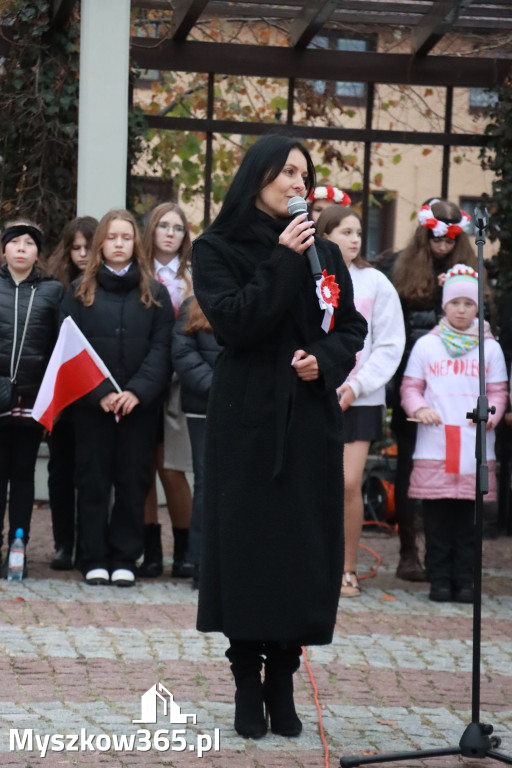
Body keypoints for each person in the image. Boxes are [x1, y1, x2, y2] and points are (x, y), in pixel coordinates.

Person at [192, 134, 367, 739]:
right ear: (257, 176)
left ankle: (283, 677)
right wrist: (284, 259)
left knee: (300, 551)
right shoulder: (215, 247)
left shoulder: (325, 251)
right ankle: (245, 678)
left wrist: (325, 360)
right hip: (247, 418)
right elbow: (237, 322)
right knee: (248, 549)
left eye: (304, 174)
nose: (299, 183)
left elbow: (349, 327)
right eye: (287, 172)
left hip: (310, 418)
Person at [61, 209, 173, 587]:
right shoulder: (79, 292)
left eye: (126, 237)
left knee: (132, 480)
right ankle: (92, 556)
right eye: (112, 238)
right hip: (94, 409)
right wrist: (101, 394)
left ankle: (125, 556)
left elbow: (162, 349)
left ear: (136, 244)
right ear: (101, 245)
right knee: (93, 481)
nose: (119, 244)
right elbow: (68, 350)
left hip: (137, 408)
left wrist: (137, 391)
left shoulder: (154, 293)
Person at [400, 265, 507, 602]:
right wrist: (419, 409)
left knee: (470, 525)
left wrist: (490, 416)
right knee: (436, 522)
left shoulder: (490, 349)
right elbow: (410, 387)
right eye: (455, 303)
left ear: (478, 308)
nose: (462, 310)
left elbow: (499, 392)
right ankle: (440, 582)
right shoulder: (426, 346)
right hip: (436, 445)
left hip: (475, 447)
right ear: (444, 306)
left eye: (469, 304)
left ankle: (467, 582)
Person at [316, 205, 405, 597]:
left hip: (360, 398)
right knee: (312, 481)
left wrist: (357, 386)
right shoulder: (310, 276)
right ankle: (312, 565)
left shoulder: (375, 283)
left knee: (348, 482)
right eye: (345, 232)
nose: (354, 239)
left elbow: (389, 344)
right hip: (314, 392)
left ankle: (347, 568)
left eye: (357, 232)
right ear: (325, 235)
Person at [389, 198, 477, 582]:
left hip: (458, 387)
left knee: (458, 467)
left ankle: (451, 557)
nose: (441, 247)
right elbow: (395, 328)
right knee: (409, 466)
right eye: (435, 240)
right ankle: (409, 552)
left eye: (449, 241)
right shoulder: (402, 269)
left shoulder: (470, 271)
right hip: (414, 382)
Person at [0, 220, 63, 575]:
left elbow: (59, 345)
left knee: (23, 474)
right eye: (15, 242)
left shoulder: (52, 292)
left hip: (32, 398)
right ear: (4, 249)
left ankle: (18, 543)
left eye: (29, 243)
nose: (22, 248)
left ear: (38, 253)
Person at [138, 202, 194, 579]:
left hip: (179, 382)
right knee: (142, 469)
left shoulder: (193, 276)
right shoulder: (137, 272)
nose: (170, 233)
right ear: (151, 231)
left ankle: (186, 550)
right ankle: (151, 551)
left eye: (177, 227)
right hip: (142, 379)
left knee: (173, 469)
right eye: (163, 226)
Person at [45, 216, 98, 570]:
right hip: (63, 395)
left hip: (93, 396)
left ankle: (89, 545)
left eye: (87, 248)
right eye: (75, 247)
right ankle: (64, 544)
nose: (81, 254)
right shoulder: (53, 288)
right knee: (60, 471)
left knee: (91, 474)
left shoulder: (104, 286)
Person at [171, 295, 223, 589]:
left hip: (247, 407)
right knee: (206, 482)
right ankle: (201, 562)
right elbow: (183, 354)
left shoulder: (254, 301)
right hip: (204, 407)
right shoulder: (194, 305)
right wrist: (221, 388)